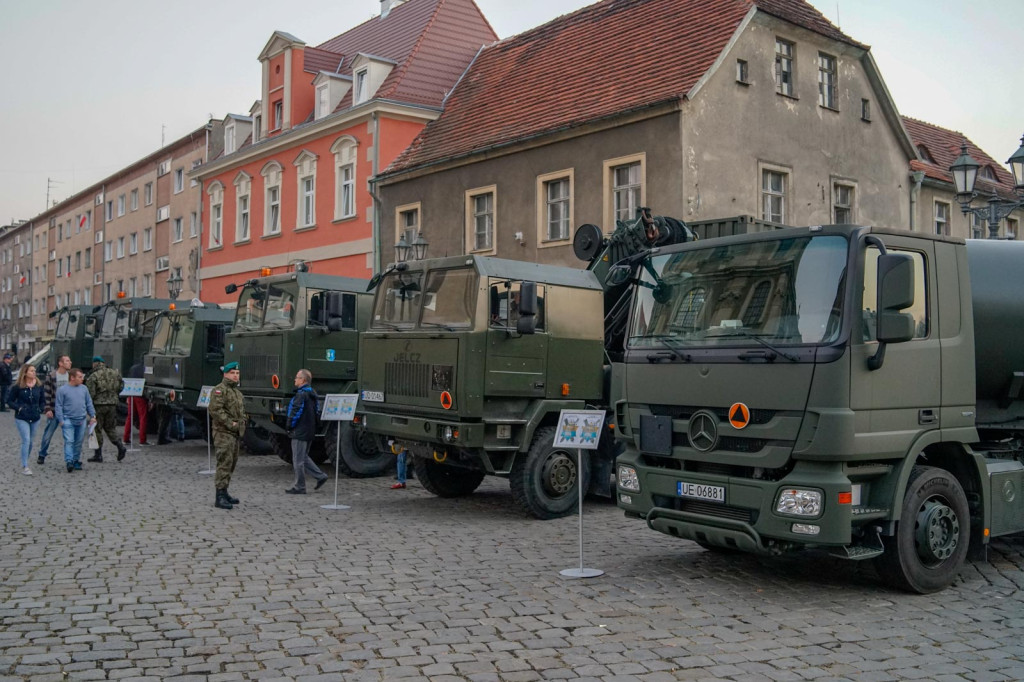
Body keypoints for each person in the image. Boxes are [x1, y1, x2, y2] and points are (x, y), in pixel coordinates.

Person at [284, 369, 328, 494]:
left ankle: (300, 486)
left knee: (298, 460)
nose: (295, 379)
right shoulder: (312, 393)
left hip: (300, 431)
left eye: (297, 377)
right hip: (309, 430)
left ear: (303, 380)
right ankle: (320, 476)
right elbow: (316, 412)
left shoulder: (301, 395)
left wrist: (289, 425)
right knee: (303, 457)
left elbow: (295, 412)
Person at [209, 362, 246, 510]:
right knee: (224, 462)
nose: (235, 376)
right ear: (225, 374)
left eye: (237, 373)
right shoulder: (220, 390)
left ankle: (225, 492)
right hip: (223, 432)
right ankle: (219, 496)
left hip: (235, 434)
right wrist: (231, 423)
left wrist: (243, 422)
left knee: (232, 462)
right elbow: (215, 410)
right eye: (232, 373)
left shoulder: (237, 392)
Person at [55, 368, 97, 473]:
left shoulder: (84, 389)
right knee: (69, 441)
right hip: (67, 419)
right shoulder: (62, 390)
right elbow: (58, 405)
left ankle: (75, 460)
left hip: (81, 419)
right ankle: (69, 461)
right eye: (79, 377)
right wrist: (61, 419)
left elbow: (88, 403)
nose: (82, 379)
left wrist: (92, 415)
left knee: (78, 442)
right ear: (72, 378)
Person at [85, 356, 125, 463]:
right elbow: (121, 386)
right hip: (112, 404)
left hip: (98, 405)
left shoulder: (93, 376)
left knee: (96, 429)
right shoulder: (115, 373)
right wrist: (113, 396)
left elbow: (90, 393)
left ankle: (98, 454)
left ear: (95, 364)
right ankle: (120, 446)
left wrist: (89, 406)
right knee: (110, 427)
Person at [7, 364, 45, 475]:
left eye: (35, 371)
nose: (34, 373)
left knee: (31, 442)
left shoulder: (38, 386)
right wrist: (19, 408)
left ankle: (25, 459)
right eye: (32, 371)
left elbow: (42, 400)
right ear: (25, 372)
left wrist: (41, 408)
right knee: (26, 440)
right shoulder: (18, 386)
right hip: (22, 417)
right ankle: (25, 465)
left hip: (35, 417)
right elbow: (9, 401)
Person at [38, 354, 72, 465]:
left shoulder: (71, 376)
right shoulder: (52, 376)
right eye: (67, 361)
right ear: (60, 363)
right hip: (54, 409)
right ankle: (42, 454)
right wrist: (47, 409)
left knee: (69, 436)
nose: (70, 362)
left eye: (69, 360)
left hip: (67, 410)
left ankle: (70, 459)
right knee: (48, 434)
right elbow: (47, 393)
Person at [123, 360, 149, 446]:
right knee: (143, 417)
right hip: (141, 395)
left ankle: (126, 438)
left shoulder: (133, 368)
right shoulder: (147, 369)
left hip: (131, 393)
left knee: (130, 416)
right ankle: (142, 440)